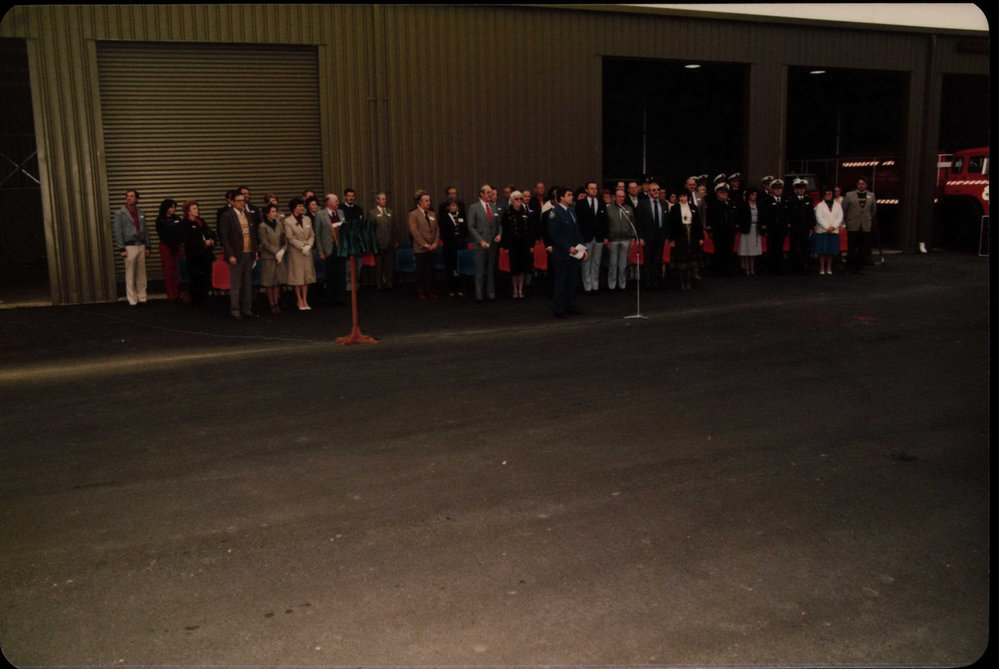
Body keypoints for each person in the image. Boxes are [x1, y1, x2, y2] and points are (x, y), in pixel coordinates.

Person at [218, 190, 259, 319]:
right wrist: (230, 254)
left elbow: (253, 234)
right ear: (233, 202)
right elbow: (224, 237)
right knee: (235, 283)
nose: (242, 203)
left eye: (243, 200)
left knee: (248, 283)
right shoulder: (227, 216)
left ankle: (247, 309)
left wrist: (255, 251)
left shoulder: (248, 214)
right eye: (239, 201)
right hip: (236, 254)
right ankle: (235, 310)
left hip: (248, 253)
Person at [547, 186, 587, 318]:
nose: (572, 197)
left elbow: (577, 232)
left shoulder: (571, 212)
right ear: (561, 197)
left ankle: (570, 305)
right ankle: (559, 309)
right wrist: (568, 247)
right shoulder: (555, 212)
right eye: (569, 195)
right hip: (562, 254)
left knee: (572, 282)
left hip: (574, 253)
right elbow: (554, 235)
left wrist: (583, 249)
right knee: (561, 282)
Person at [112, 189, 150, 306]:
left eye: (132, 196)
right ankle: (132, 299)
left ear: (137, 199)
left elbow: (145, 231)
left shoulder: (141, 213)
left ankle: (142, 297)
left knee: (141, 273)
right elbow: (118, 232)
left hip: (140, 244)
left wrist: (147, 245)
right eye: (127, 196)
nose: (129, 198)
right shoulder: (120, 213)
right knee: (130, 273)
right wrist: (121, 248)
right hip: (129, 246)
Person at [467, 184, 501, 303]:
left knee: (491, 270)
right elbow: (470, 227)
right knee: (480, 271)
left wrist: (499, 234)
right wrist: (480, 240)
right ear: (481, 194)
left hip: (492, 244)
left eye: (491, 193)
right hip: (480, 244)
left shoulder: (493, 207)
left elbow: (499, 224)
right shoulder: (474, 207)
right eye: (488, 193)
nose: (490, 195)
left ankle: (490, 294)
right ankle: (479, 295)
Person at [180, 200, 216, 310]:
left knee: (205, 277)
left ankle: (204, 299)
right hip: (194, 256)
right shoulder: (185, 224)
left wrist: (211, 239)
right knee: (195, 279)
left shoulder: (200, 221)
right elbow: (188, 241)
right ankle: (196, 301)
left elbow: (209, 232)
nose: (197, 210)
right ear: (188, 211)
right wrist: (203, 243)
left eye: (197, 208)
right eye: (194, 208)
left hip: (205, 255)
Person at [283, 197, 316, 311]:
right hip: (296, 252)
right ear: (294, 208)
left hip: (307, 251)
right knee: (297, 277)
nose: (302, 208)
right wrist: (302, 246)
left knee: (306, 277)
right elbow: (290, 237)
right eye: (299, 206)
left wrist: (309, 245)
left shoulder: (307, 219)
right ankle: (299, 299)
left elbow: (312, 234)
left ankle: (305, 299)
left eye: (302, 206)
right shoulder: (288, 221)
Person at [575, 181, 608, 294]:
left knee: (596, 262)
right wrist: (579, 238)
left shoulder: (601, 202)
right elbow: (578, 222)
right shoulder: (580, 203)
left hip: (599, 237)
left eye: (595, 188)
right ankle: (587, 285)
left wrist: (605, 236)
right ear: (586, 190)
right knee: (586, 262)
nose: (594, 190)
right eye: (591, 188)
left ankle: (595, 284)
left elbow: (605, 221)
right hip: (586, 237)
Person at [314, 193, 346, 305]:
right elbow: (317, 234)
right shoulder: (320, 215)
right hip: (328, 248)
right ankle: (330, 297)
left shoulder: (341, 213)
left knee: (341, 273)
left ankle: (341, 296)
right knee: (330, 274)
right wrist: (320, 251)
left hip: (340, 248)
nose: (338, 203)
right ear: (329, 202)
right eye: (336, 201)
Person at [668, 191, 703, 290]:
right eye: (681, 196)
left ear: (688, 197)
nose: (683, 198)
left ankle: (689, 280)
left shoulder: (693, 208)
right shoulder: (674, 209)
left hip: (692, 236)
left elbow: (698, 224)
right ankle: (682, 281)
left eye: (684, 196)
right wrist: (672, 239)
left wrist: (700, 238)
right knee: (681, 259)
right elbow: (671, 225)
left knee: (690, 259)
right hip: (680, 236)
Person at [408, 189, 440, 300]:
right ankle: (419, 291)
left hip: (432, 248)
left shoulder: (432, 213)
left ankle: (429, 291)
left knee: (430, 271)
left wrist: (435, 242)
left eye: (429, 200)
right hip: (421, 249)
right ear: (420, 202)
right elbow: (414, 232)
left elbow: (437, 230)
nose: (428, 202)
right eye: (426, 201)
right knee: (421, 271)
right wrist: (425, 244)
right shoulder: (413, 214)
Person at [501, 191, 532, 299]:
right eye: (517, 199)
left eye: (520, 199)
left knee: (523, 269)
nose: (519, 201)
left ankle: (521, 289)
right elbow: (504, 231)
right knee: (514, 269)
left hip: (524, 244)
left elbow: (530, 230)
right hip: (512, 245)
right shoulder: (507, 214)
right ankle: (514, 289)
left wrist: (531, 245)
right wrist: (505, 246)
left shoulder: (525, 213)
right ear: (512, 200)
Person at [842, 177, 876, 275]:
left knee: (862, 248)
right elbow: (844, 209)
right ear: (857, 185)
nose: (861, 185)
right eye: (859, 184)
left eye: (863, 184)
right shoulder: (849, 195)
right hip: (853, 225)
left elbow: (873, 211)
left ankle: (860, 267)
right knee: (851, 247)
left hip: (865, 226)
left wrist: (867, 219)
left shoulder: (871, 195)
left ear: (866, 185)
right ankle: (849, 267)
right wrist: (847, 221)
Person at [257, 203, 287, 313]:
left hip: (279, 256)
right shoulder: (262, 226)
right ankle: (271, 303)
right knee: (269, 281)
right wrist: (276, 251)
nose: (275, 214)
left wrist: (283, 250)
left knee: (278, 281)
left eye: (275, 211)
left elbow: (284, 239)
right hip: (269, 257)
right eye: (272, 212)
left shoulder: (279, 224)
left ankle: (277, 302)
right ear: (267, 214)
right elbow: (264, 243)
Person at [636, 182, 667, 289]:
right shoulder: (642, 204)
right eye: (654, 190)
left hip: (660, 237)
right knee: (648, 260)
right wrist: (640, 237)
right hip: (647, 237)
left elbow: (666, 221)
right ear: (649, 192)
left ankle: (657, 282)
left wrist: (666, 236)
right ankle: (648, 283)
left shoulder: (664, 204)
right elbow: (639, 222)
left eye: (658, 189)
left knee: (657, 260)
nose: (656, 192)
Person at [605, 188, 636, 291]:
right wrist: (607, 239)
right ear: (615, 197)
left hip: (626, 239)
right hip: (613, 240)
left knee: (623, 265)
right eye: (619, 196)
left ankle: (622, 285)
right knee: (613, 264)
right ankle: (612, 285)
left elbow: (633, 224)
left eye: (623, 196)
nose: (621, 198)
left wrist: (632, 238)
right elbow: (606, 226)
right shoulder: (609, 209)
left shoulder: (628, 209)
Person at [155, 198, 185, 303]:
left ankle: (177, 293)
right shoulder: (160, 220)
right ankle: (171, 295)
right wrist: (171, 243)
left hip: (177, 246)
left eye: (174, 207)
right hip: (166, 246)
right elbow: (162, 234)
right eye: (171, 207)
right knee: (168, 270)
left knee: (177, 270)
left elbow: (182, 231)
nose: (173, 209)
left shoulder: (177, 218)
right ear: (166, 208)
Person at [706, 182, 738, 277]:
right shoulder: (714, 204)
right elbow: (710, 218)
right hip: (719, 231)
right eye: (722, 192)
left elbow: (735, 216)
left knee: (729, 250)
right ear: (717, 193)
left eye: (726, 192)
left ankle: (728, 270)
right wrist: (710, 230)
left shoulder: (731, 203)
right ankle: (719, 271)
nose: (725, 194)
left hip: (730, 231)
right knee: (719, 250)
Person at [369, 192, 397, 290]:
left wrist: (395, 241)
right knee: (379, 267)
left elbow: (393, 228)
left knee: (389, 266)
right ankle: (379, 285)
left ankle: (389, 284)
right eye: (382, 199)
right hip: (378, 244)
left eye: (385, 199)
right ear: (377, 200)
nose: (384, 201)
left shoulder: (390, 211)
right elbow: (370, 230)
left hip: (389, 243)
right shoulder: (372, 213)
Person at [439, 199, 468, 297]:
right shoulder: (444, 217)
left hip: (460, 246)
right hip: (449, 247)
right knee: (450, 268)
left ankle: (460, 288)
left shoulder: (461, 216)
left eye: (455, 206)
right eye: (452, 206)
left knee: (459, 268)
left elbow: (465, 230)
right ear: (448, 208)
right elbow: (443, 232)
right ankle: (451, 289)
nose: (454, 207)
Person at [787, 178, 815, 274]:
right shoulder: (791, 200)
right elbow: (789, 214)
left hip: (805, 228)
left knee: (804, 248)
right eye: (799, 188)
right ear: (795, 189)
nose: (801, 190)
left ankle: (804, 267)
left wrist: (811, 226)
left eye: (802, 188)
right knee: (793, 248)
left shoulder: (809, 200)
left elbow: (811, 214)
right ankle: (793, 267)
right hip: (795, 228)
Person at [761, 178, 789, 275]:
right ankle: (771, 269)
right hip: (772, 229)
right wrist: (765, 227)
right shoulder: (768, 200)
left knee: (780, 248)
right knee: (771, 248)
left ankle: (779, 268)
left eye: (780, 188)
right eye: (776, 189)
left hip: (781, 229)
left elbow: (787, 215)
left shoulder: (785, 200)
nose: (778, 190)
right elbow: (764, 214)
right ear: (772, 190)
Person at [814, 187, 843, 276]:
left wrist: (833, 226)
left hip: (833, 231)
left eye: (829, 194)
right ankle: (822, 267)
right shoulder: (819, 205)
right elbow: (819, 218)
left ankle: (829, 267)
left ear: (832, 195)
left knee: (830, 251)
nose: (827, 195)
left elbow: (840, 217)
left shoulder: (838, 205)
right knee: (822, 251)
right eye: (826, 194)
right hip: (822, 231)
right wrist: (827, 227)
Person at [737, 188, 762, 276]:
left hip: (756, 228)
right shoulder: (744, 204)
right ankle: (746, 269)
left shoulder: (758, 204)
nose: (754, 196)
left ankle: (752, 268)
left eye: (755, 195)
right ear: (748, 195)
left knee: (754, 250)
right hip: (747, 228)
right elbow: (740, 217)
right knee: (746, 249)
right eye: (752, 195)